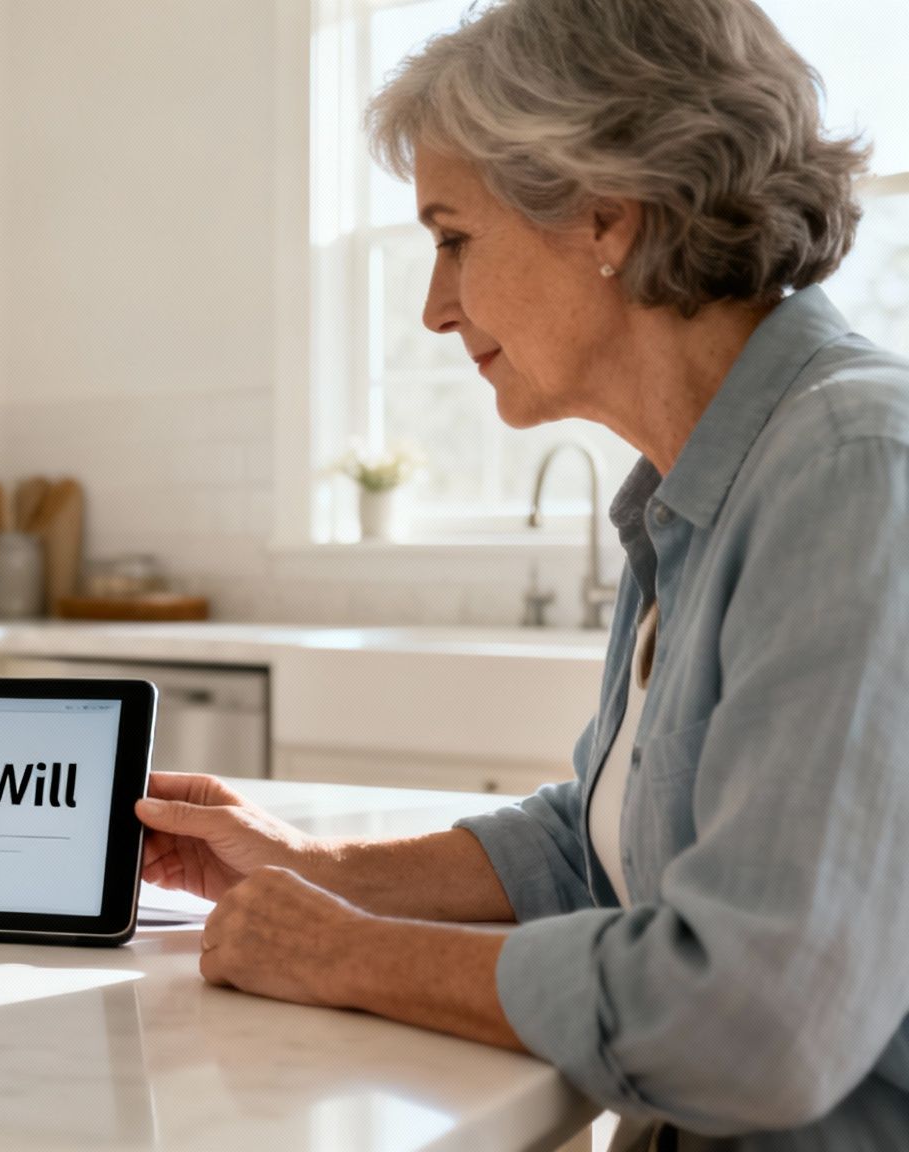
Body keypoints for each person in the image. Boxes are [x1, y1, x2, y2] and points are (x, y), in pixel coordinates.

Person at [135, 0, 909, 1146]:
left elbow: (754, 1021)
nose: (432, 309)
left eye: (451, 238)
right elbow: (600, 844)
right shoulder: (699, 484)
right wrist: (314, 868)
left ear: (604, 215)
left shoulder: (851, 469)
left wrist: (350, 954)